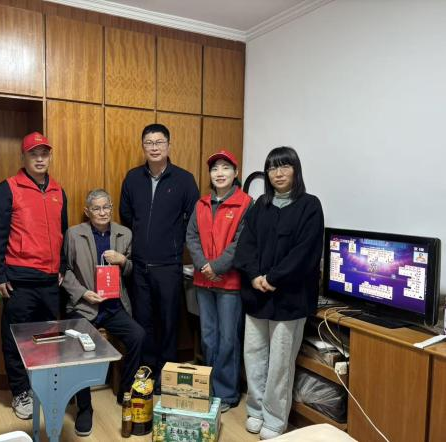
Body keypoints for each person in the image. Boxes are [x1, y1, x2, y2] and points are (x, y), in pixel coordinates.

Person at [234, 146, 324, 440]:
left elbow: (305, 252)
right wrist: (254, 276)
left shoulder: (310, 206)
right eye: (272, 168)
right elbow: (246, 245)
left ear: (296, 170)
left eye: (285, 166)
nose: (278, 173)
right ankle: (256, 410)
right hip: (256, 295)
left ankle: (274, 418)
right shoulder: (260, 205)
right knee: (254, 356)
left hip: (290, 298)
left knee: (280, 362)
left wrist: (273, 278)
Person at [0, 132, 67, 420]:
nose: (40, 159)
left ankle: (41, 386)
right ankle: (20, 392)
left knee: (47, 339)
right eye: (34, 154)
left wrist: (62, 267)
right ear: (24, 157)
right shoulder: (8, 188)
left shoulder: (58, 191)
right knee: (15, 338)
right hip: (19, 279)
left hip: (49, 280)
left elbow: (62, 233)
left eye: (44, 153)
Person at [119, 123, 199, 392]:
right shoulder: (133, 178)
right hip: (139, 265)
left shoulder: (184, 180)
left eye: (159, 142)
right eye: (149, 143)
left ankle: (167, 377)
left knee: (168, 322)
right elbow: (126, 215)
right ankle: (147, 373)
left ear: (168, 145)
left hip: (169, 265)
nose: (154, 148)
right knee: (144, 322)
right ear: (143, 147)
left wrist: (175, 243)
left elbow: (193, 220)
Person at [62, 189, 145, 437]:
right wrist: (83, 293)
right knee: (79, 346)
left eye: (106, 207)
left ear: (111, 207)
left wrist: (123, 261)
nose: (102, 213)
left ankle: (125, 391)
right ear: (87, 211)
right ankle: (84, 408)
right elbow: (64, 271)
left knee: (138, 336)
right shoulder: (74, 234)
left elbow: (132, 270)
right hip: (84, 306)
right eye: (96, 208)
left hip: (113, 306)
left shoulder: (124, 233)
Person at [186, 150, 252, 413]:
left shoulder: (246, 203)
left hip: (229, 284)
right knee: (208, 337)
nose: (220, 173)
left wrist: (216, 267)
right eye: (215, 169)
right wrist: (205, 266)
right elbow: (191, 236)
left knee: (227, 339)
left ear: (235, 173)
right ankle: (209, 388)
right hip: (203, 282)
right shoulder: (201, 204)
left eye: (225, 168)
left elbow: (241, 242)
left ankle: (226, 393)